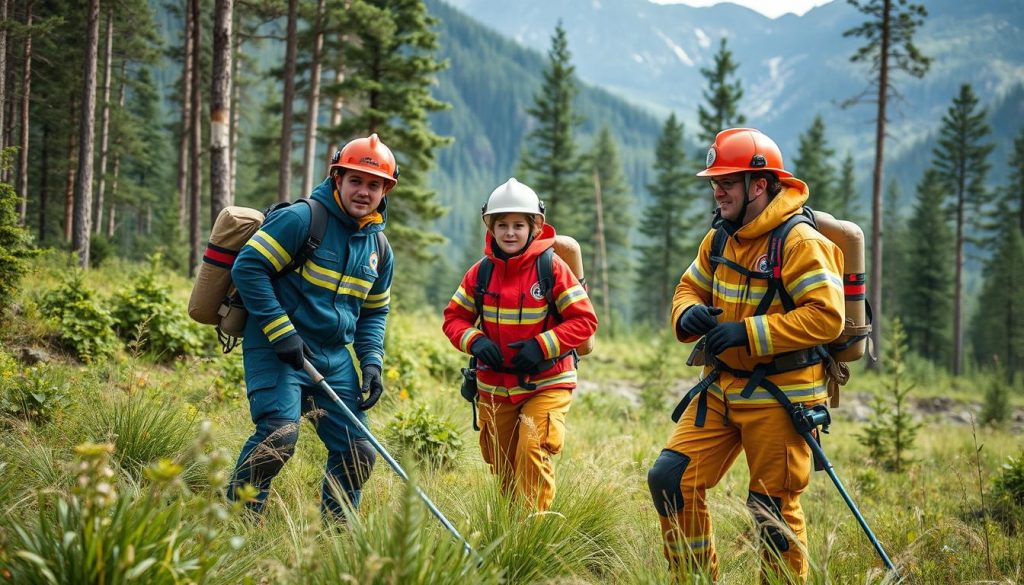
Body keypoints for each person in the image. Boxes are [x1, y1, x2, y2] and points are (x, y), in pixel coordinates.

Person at [646, 128, 845, 582]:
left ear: (761, 184)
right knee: (671, 479)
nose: (717, 191)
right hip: (722, 387)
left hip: (783, 394)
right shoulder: (720, 237)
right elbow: (688, 285)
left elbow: (827, 317)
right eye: (715, 182)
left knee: (771, 511)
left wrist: (747, 332)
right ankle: (695, 578)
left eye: (728, 182)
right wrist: (689, 311)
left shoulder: (798, 241)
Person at [227, 133, 397, 521]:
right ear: (337, 178)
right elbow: (249, 268)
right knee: (278, 437)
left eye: (374, 184)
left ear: (386, 189)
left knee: (359, 451)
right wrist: (281, 332)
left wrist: (371, 362)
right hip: (278, 348)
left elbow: (374, 313)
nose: (363, 191)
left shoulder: (379, 249)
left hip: (334, 359)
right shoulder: (302, 218)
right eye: (355, 180)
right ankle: (238, 523)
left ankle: (334, 537)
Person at [441, 178, 598, 511]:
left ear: (534, 228)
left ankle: (533, 538)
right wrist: (476, 341)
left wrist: (542, 346)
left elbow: (585, 322)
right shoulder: (479, 274)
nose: (510, 232)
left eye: (518, 225)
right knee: (503, 466)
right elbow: (453, 319)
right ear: (491, 227)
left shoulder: (552, 269)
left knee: (531, 449)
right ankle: (510, 532)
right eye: (502, 225)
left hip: (547, 382)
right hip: (495, 386)